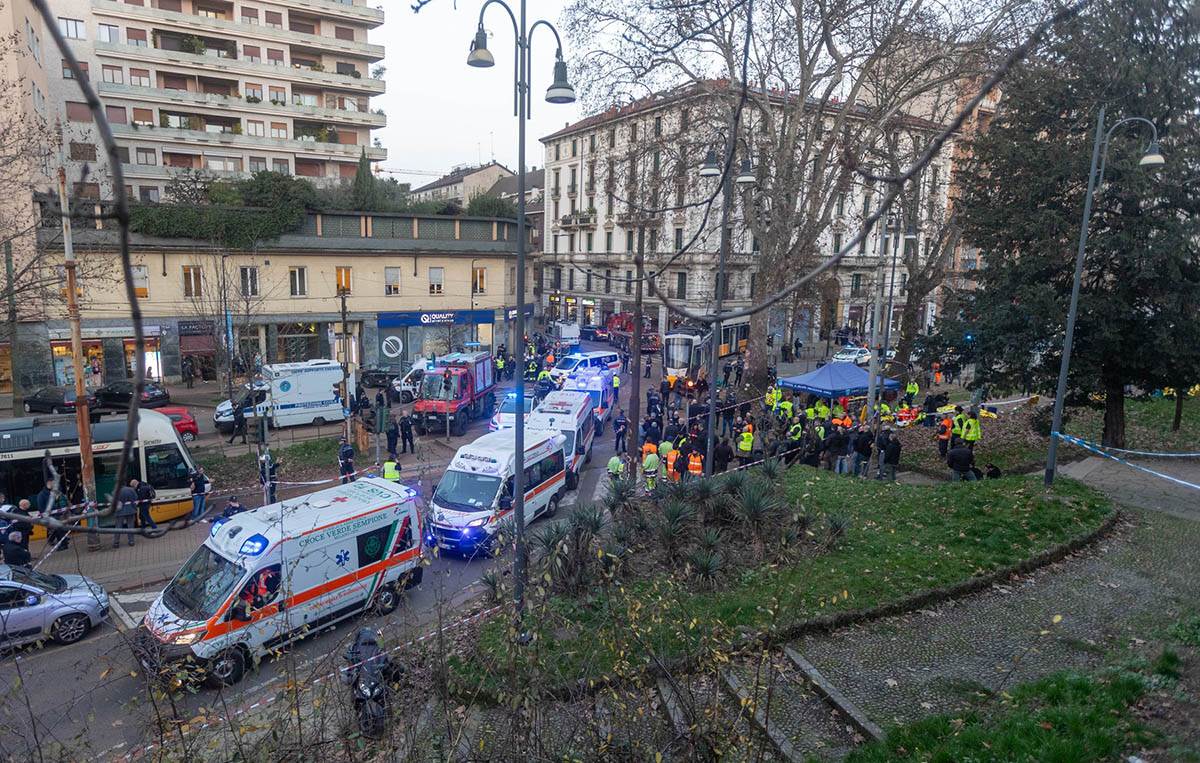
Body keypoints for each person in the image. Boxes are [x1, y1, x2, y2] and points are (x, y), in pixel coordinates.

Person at [114, 481, 139, 547]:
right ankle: (131, 541)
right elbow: (136, 498)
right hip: (131, 510)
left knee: (118, 527)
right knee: (130, 526)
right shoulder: (131, 489)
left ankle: (116, 543)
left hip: (120, 511)